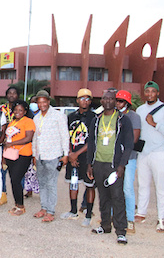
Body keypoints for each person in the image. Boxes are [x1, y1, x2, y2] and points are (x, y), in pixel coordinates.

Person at [87, 90, 133, 245]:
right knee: (103, 197)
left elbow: (128, 145)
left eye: (111, 98)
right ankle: (105, 225)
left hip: (114, 165)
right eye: (105, 98)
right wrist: (89, 164)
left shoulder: (122, 120)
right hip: (99, 163)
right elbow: (91, 143)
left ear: (115, 101)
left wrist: (122, 165)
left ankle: (121, 231)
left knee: (117, 197)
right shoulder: (96, 120)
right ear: (101, 101)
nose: (107, 101)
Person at [135, 81, 164, 232]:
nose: (150, 94)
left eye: (153, 91)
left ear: (158, 93)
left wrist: (155, 125)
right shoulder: (140, 109)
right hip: (143, 153)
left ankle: (161, 218)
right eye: (147, 91)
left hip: (159, 152)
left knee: (160, 186)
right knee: (143, 185)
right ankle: (141, 213)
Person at [30, 90, 69, 222]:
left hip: (53, 155)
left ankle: (51, 211)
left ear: (48, 101)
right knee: (42, 183)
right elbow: (35, 138)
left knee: (51, 184)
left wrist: (66, 154)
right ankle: (43, 208)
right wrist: (34, 154)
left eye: (44, 101)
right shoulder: (36, 118)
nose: (42, 104)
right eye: (39, 102)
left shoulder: (58, 116)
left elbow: (65, 136)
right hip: (40, 156)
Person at [60, 88, 96, 227]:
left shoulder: (94, 118)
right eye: (82, 98)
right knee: (73, 183)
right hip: (72, 157)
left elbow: (92, 140)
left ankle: (88, 214)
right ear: (77, 100)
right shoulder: (71, 116)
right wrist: (70, 154)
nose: (84, 101)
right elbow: (67, 136)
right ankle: (73, 210)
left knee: (90, 185)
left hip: (86, 157)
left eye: (87, 99)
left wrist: (77, 153)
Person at [3, 100, 36, 216]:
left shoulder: (28, 121)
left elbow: (28, 138)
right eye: (16, 110)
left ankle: (21, 206)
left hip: (24, 154)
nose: (18, 112)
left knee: (16, 179)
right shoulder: (12, 122)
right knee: (13, 179)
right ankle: (17, 204)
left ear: (25, 111)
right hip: (11, 154)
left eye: (20, 110)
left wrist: (11, 144)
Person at [115, 89, 141, 234]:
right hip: (113, 157)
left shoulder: (133, 117)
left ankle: (130, 219)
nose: (117, 104)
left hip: (128, 158)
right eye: (116, 100)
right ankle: (115, 216)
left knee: (127, 189)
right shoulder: (113, 116)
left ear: (127, 103)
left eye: (120, 101)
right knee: (114, 188)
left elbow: (134, 139)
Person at [0, 86, 20, 205]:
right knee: (2, 169)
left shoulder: (21, 108)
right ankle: (3, 194)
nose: (12, 95)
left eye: (14, 93)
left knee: (17, 171)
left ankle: (19, 197)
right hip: (4, 143)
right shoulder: (2, 108)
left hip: (18, 145)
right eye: (9, 93)